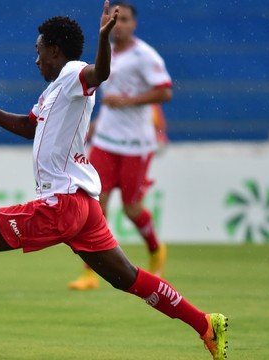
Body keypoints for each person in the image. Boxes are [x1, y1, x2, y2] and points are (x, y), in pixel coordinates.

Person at [0, 2, 228, 359]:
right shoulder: (53, 89)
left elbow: (98, 74)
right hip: (83, 206)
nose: (36, 59)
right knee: (127, 277)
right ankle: (205, 325)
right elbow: (28, 126)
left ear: (54, 51)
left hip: (63, 202)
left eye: (39, 52)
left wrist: (103, 39)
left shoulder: (72, 73)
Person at [68, 1, 173, 290]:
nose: (120, 23)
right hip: (105, 142)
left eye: (124, 19)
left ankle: (155, 249)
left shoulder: (144, 55)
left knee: (131, 209)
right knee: (94, 207)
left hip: (135, 145)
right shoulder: (107, 52)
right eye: (116, 18)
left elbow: (165, 92)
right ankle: (90, 272)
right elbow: (111, 95)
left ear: (134, 23)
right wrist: (96, 125)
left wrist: (128, 102)